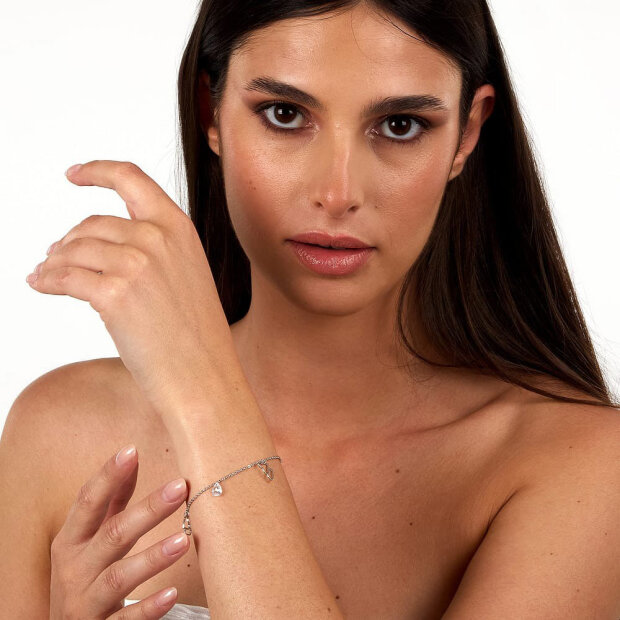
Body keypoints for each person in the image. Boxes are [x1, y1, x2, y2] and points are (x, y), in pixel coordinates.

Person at [1, 0, 619, 618]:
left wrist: (206, 400)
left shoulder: (582, 467)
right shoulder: (58, 431)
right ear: (209, 111)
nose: (337, 193)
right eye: (285, 114)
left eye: (400, 124)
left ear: (467, 133)